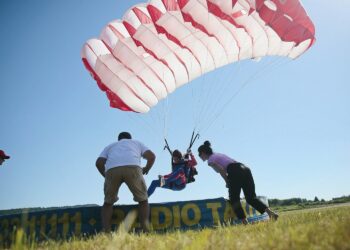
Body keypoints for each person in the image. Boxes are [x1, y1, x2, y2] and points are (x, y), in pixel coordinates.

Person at [197, 141, 278, 224]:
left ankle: (245, 222)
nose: (199, 156)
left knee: (234, 199)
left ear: (203, 153)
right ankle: (271, 213)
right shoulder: (218, 154)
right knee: (251, 197)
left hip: (234, 170)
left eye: (199, 154)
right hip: (245, 168)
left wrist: (227, 181)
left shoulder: (210, 160)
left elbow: (221, 170)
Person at [96, 132, 156, 233]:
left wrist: (106, 176)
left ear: (119, 139)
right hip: (133, 167)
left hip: (112, 170)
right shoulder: (136, 143)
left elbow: (98, 163)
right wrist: (146, 169)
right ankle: (145, 229)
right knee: (143, 200)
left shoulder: (110, 146)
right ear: (130, 138)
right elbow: (152, 156)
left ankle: (106, 231)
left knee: (108, 202)